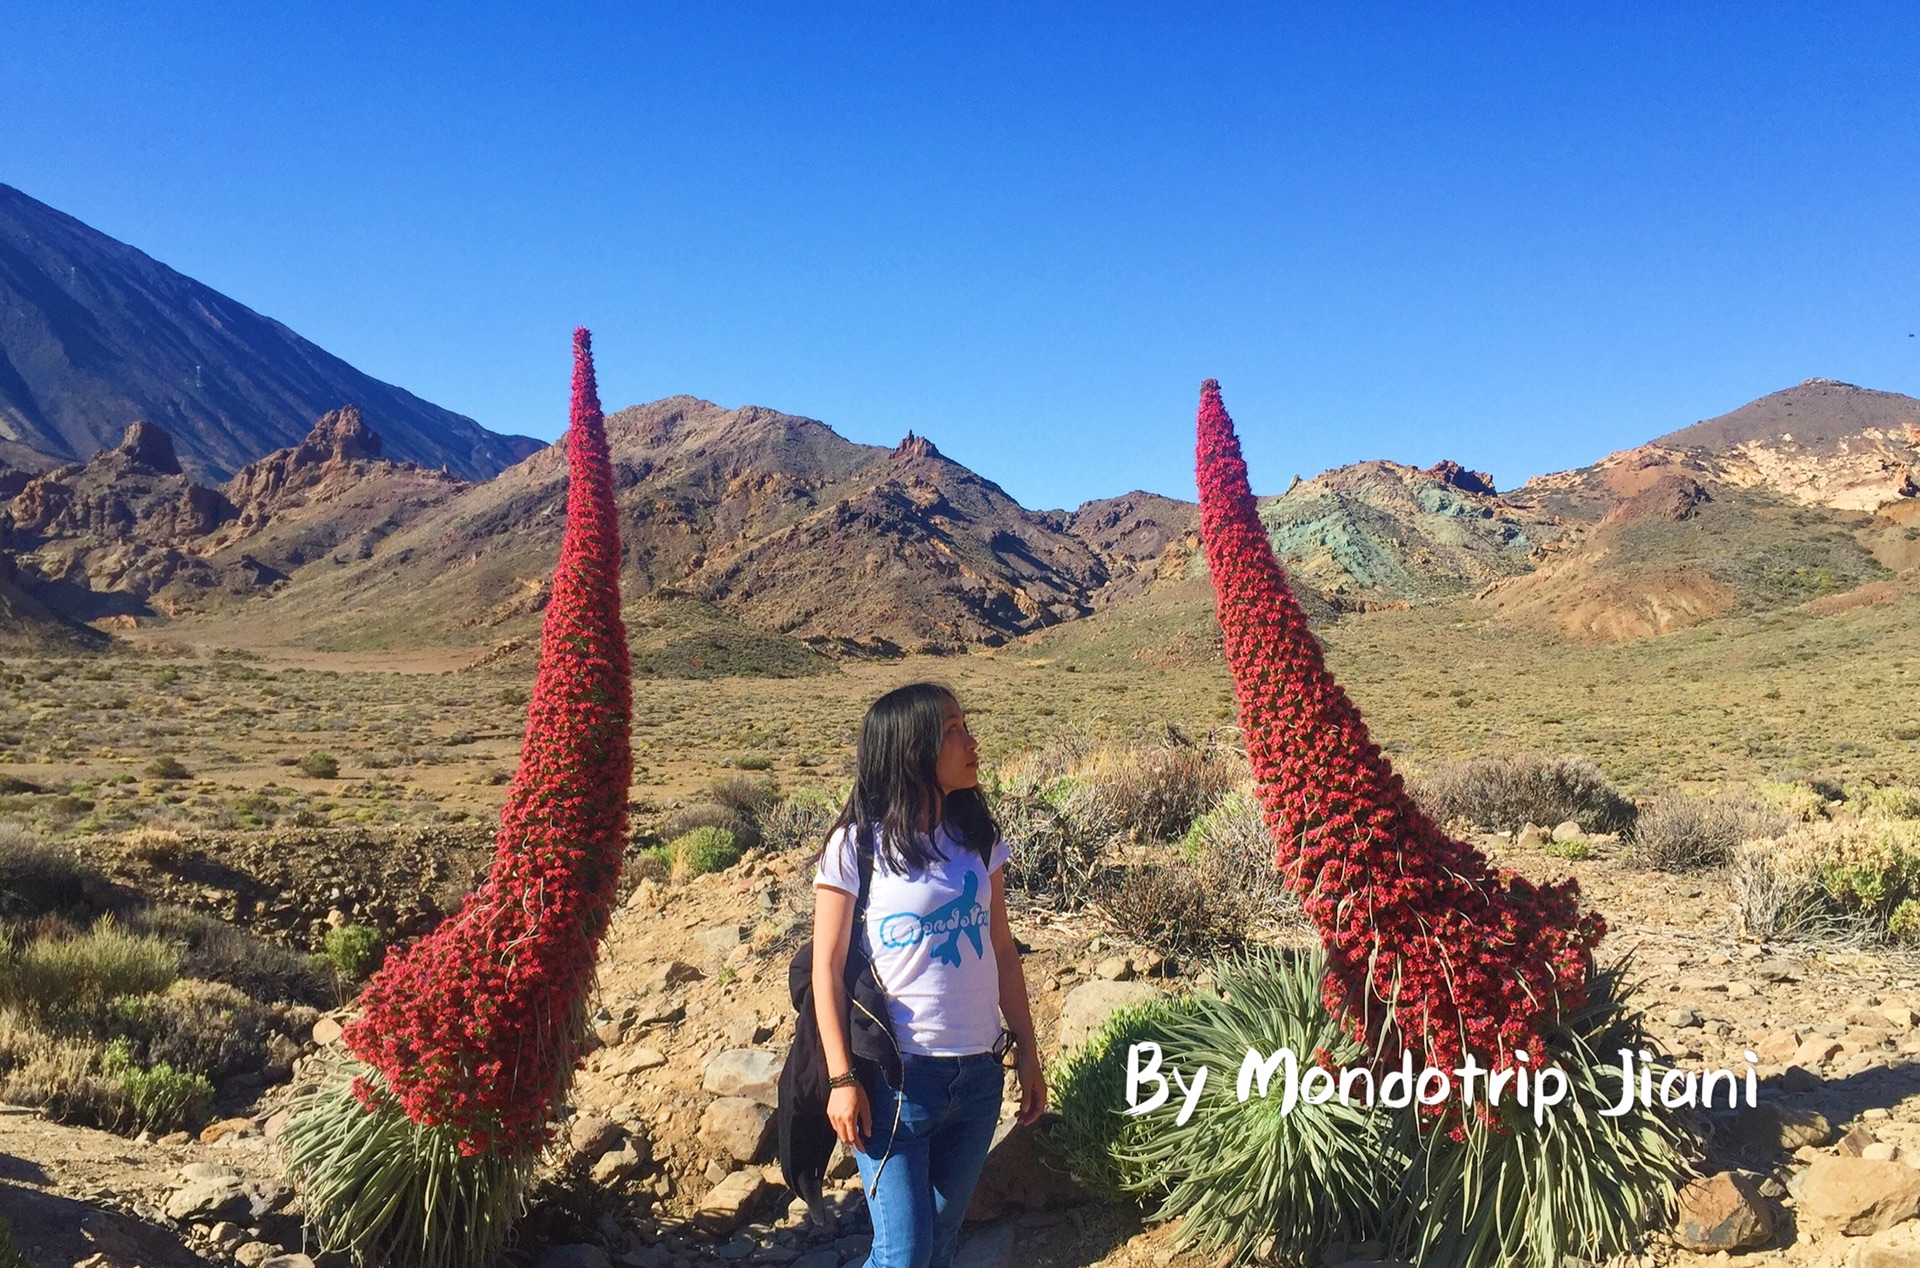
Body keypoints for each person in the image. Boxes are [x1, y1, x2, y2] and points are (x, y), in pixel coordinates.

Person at [812, 682, 1046, 1268]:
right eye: (953, 730)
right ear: (910, 748)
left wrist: (1028, 1052)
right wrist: (843, 1078)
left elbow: (1001, 949)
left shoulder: (978, 840)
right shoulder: (856, 846)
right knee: (904, 1255)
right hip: (894, 1083)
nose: (971, 741)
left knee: (938, 1246)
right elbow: (827, 967)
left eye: (966, 724)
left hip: (976, 1078)